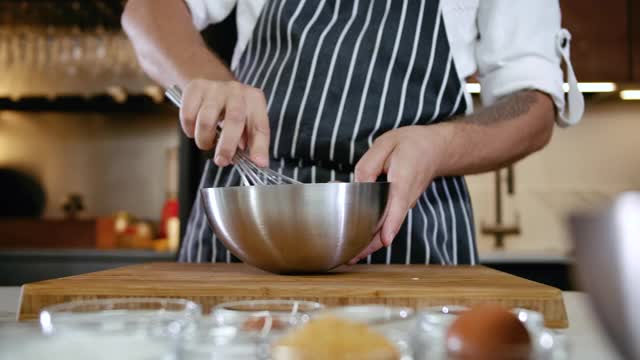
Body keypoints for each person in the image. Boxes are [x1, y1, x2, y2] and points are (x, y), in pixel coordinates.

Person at [122, 0, 584, 265]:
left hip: (408, 240)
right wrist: (212, 82)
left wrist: (438, 145)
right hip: (247, 225)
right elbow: (148, 11)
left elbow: (533, 106)